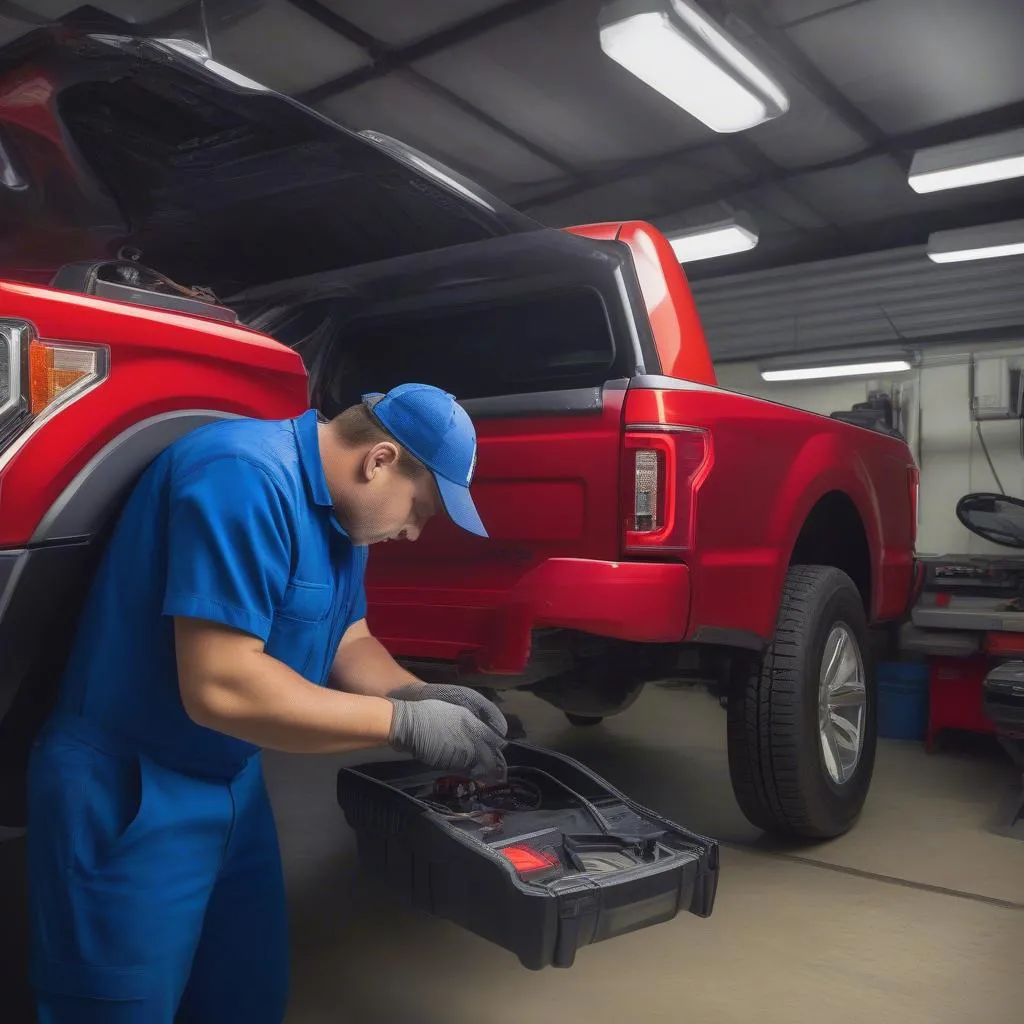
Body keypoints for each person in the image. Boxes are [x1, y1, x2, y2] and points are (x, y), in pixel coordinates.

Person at [26, 383, 508, 1023]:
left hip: (233, 786)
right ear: (380, 461)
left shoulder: (346, 519)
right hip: (131, 791)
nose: (415, 532)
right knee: (120, 1010)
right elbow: (223, 686)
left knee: (243, 997)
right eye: (420, 509)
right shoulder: (242, 476)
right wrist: (405, 723)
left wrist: (413, 690)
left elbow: (347, 635)